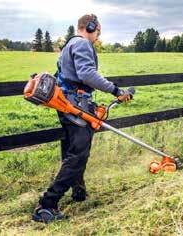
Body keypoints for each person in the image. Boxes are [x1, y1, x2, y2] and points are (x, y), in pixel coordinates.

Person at [32, 14, 131, 224]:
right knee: (78, 154)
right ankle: (47, 205)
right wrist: (115, 90)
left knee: (73, 151)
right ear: (90, 27)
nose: (98, 37)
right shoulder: (83, 44)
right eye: (98, 32)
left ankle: (79, 191)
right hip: (74, 105)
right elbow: (87, 74)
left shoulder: (69, 45)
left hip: (68, 104)